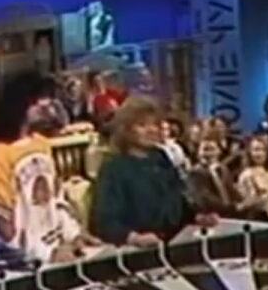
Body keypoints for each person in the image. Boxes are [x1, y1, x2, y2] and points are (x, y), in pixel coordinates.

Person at [90, 96, 216, 246]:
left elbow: (176, 202)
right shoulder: (114, 169)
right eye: (142, 125)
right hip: (140, 251)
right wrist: (134, 238)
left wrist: (196, 217)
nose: (152, 130)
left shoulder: (160, 157)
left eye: (155, 124)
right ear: (126, 129)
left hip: (176, 242)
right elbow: (104, 222)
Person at [0, 68, 63, 264]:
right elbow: (5, 228)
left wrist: (74, 235)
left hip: (56, 250)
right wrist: (46, 254)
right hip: (21, 264)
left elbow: (56, 200)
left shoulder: (42, 144)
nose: (44, 104)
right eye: (35, 100)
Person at [186, 135, 241, 216]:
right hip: (210, 216)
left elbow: (232, 192)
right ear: (198, 153)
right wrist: (231, 208)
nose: (208, 154)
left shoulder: (223, 170)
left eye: (212, 149)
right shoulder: (194, 173)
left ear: (219, 152)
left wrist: (241, 202)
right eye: (205, 149)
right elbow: (205, 199)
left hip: (230, 214)